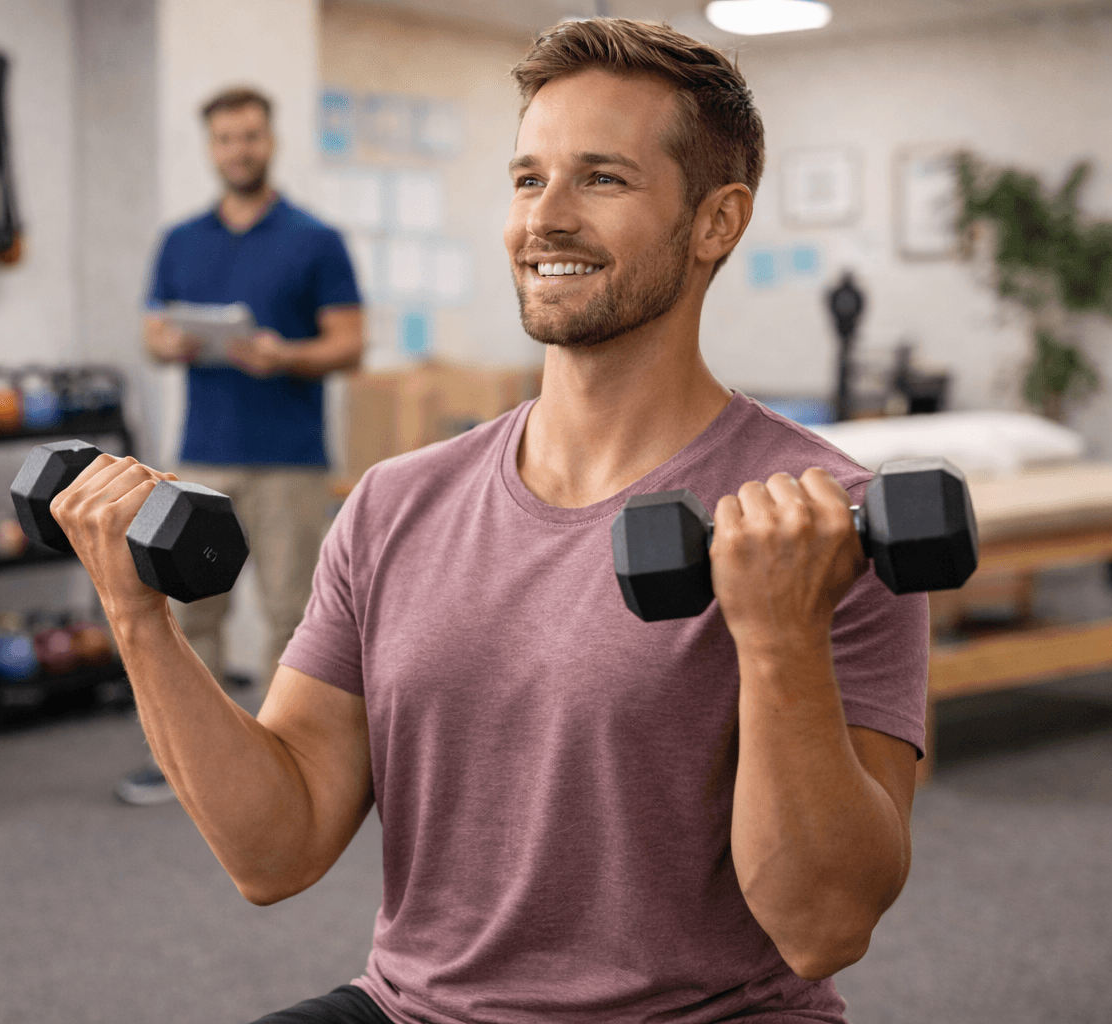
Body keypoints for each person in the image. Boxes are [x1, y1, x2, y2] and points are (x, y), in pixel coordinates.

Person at [66, 19, 926, 1022]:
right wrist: (138, 620)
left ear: (716, 221)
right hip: (416, 1007)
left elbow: (823, 924)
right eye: (527, 179)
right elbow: (277, 847)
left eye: (600, 179)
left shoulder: (823, 521)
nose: (544, 219)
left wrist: (779, 636)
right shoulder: (394, 503)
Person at [114, 86, 364, 807]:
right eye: (226, 139)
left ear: (271, 141)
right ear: (211, 148)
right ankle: (191, 763)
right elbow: (153, 334)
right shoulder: (181, 241)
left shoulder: (315, 239)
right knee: (190, 615)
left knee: (293, 614)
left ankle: (293, 767)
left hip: (288, 457)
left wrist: (284, 356)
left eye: (250, 137)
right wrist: (172, 339)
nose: (239, 150)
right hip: (201, 455)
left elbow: (348, 343)